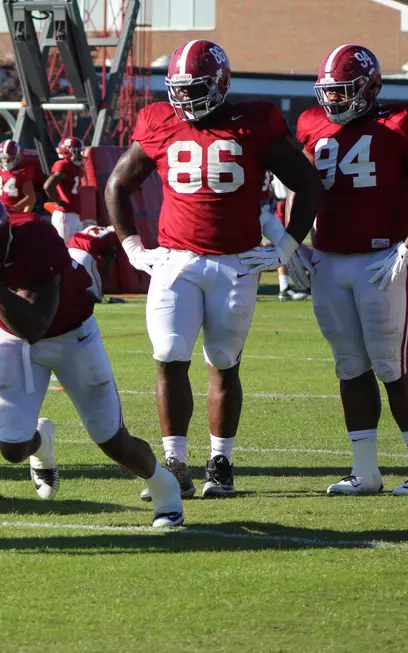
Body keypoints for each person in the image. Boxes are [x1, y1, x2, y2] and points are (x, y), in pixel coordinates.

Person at [105, 40, 323, 499]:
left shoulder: (256, 121)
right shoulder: (159, 121)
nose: (185, 98)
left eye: (195, 87)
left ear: (221, 84)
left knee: (223, 363)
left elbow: (306, 183)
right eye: (178, 89)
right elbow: (117, 185)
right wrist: (130, 245)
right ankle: (175, 462)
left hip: (235, 262)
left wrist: (286, 245)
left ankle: (220, 461)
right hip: (176, 260)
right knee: (168, 356)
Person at [0, 192, 184, 526]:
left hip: (70, 335)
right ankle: (42, 442)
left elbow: (34, 326)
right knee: (12, 447)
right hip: (8, 335)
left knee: (112, 441)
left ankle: (165, 488)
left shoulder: (37, 239)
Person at [295, 44, 408, 496]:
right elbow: (304, 188)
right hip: (328, 260)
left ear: (371, 88)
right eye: (329, 92)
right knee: (349, 367)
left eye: (345, 91)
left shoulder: (402, 122)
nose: (334, 101)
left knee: (392, 365)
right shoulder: (311, 124)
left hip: (380, 260)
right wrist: (294, 244)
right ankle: (365, 472)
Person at [264, 170, 308, 301]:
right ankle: (285, 287)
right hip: (281, 203)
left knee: (285, 246)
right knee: (285, 246)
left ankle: (286, 287)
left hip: (277, 203)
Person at [44, 137, 86, 242]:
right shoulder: (63, 165)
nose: (80, 154)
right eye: (77, 151)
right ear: (67, 152)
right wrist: (58, 201)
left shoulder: (75, 167)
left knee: (75, 247)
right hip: (65, 214)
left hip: (73, 214)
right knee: (66, 248)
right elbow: (48, 186)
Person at [66, 224, 123, 302]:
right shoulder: (114, 237)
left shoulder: (97, 228)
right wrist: (101, 284)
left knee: (77, 282)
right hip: (84, 253)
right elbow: (107, 261)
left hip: (70, 251)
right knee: (97, 296)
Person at [0, 139, 36, 212]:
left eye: (9, 158)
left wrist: (17, 209)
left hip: (15, 211)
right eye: (3, 158)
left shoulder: (22, 172)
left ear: (17, 157)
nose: (5, 161)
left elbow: (31, 198)